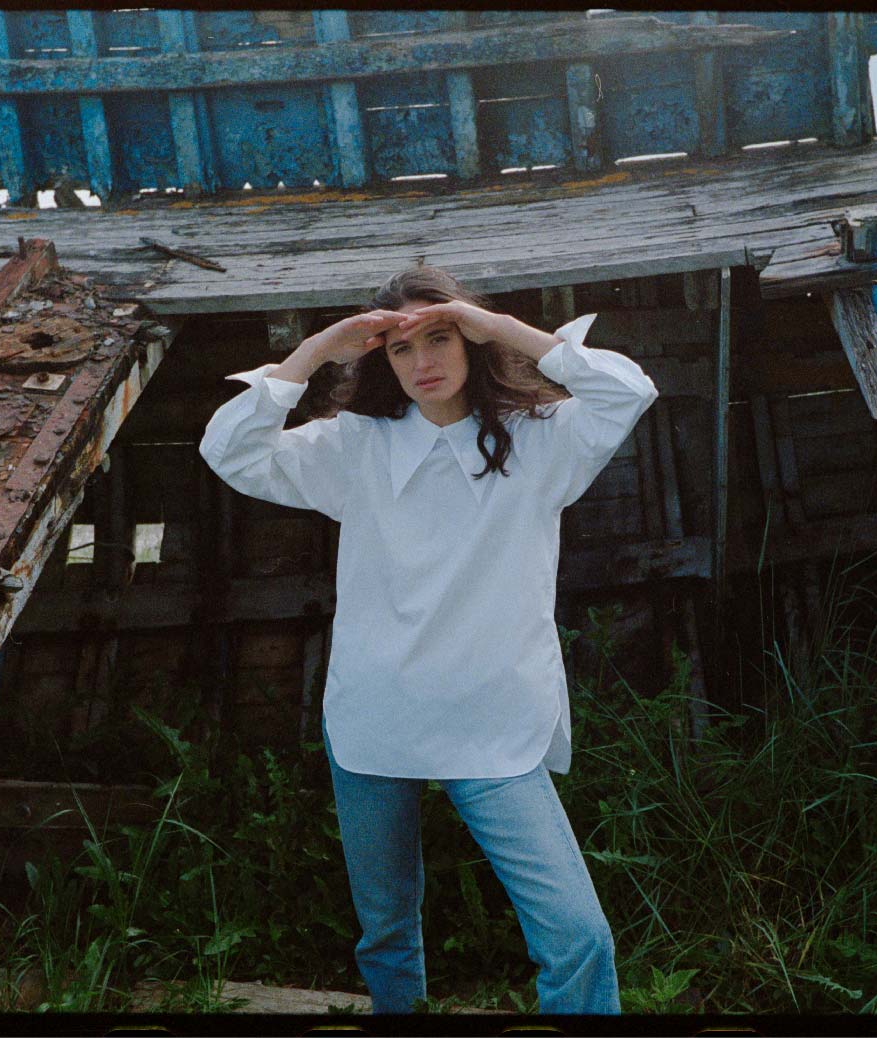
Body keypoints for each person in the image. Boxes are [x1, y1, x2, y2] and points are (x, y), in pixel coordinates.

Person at [198, 266, 659, 1014]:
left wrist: (497, 324)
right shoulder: (357, 447)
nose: (423, 363)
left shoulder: (540, 442)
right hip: (375, 718)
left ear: (471, 343)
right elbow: (231, 452)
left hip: (495, 726)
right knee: (387, 936)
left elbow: (628, 390)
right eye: (401, 350)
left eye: (440, 338)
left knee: (580, 938)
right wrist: (317, 349)